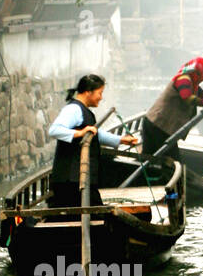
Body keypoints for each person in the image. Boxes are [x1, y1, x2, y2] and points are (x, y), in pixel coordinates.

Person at [47, 74, 138, 208]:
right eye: (100, 93)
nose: (101, 97)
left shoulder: (84, 111)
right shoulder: (73, 109)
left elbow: (95, 134)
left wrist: (121, 140)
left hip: (79, 180)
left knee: (92, 212)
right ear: (88, 92)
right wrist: (80, 133)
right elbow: (54, 130)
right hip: (70, 180)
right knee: (92, 213)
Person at [142, 57, 203, 158]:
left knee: (151, 159)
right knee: (171, 162)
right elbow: (187, 97)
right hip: (157, 125)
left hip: (158, 125)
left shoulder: (193, 85)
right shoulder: (183, 79)